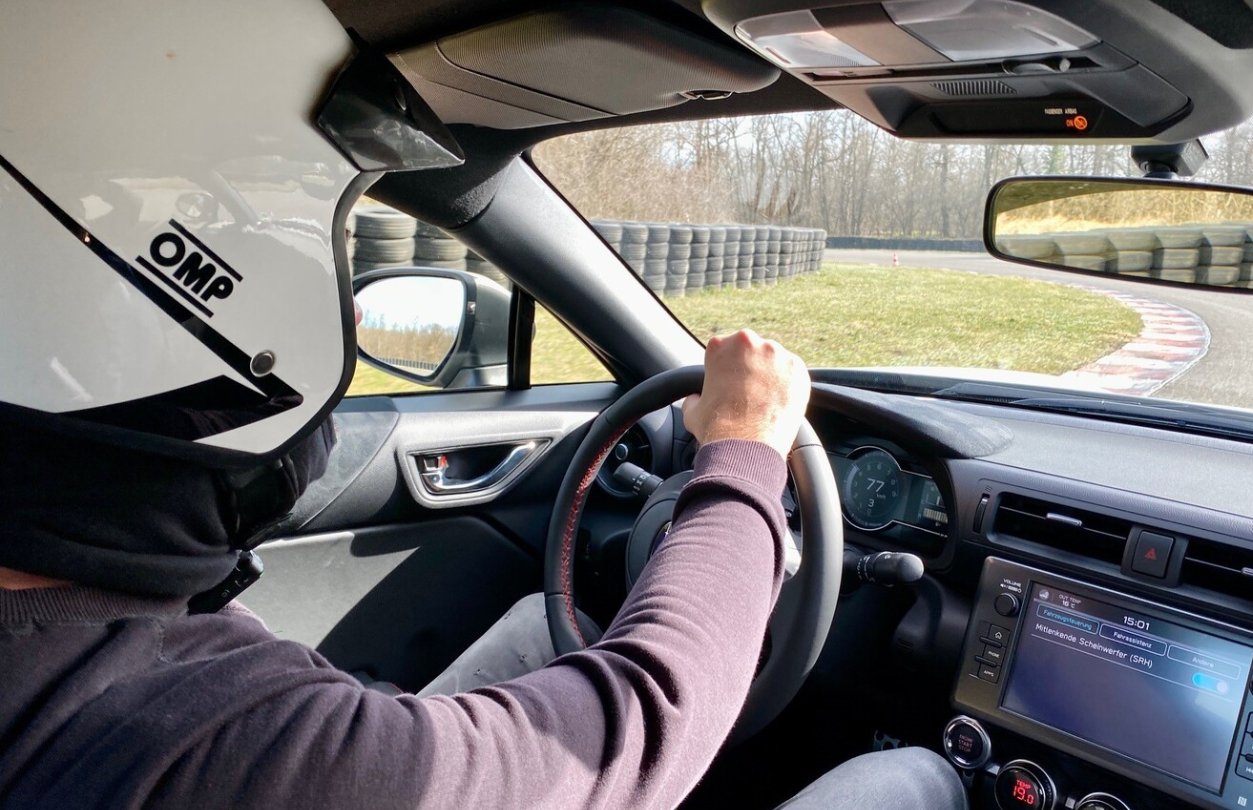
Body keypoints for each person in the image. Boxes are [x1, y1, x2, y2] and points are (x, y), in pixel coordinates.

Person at [0, 2, 966, 808]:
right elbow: (641, 723)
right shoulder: (202, 745)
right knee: (914, 776)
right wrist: (747, 455)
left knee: (536, 625)